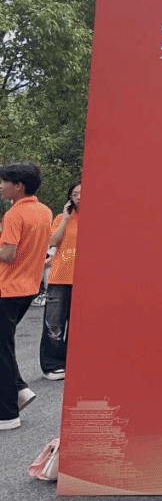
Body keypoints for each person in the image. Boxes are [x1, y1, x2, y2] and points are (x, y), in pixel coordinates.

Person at [0, 162, 53, 430]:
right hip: (28, 288)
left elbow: (8, 255)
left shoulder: (14, 214)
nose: (1, 186)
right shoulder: (44, 211)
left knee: (2, 351)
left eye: (4, 181)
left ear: (18, 186)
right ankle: (20, 389)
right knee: (4, 346)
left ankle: (7, 414)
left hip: (6, 288)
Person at [40, 179, 81, 379]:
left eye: (83, 193)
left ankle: (75, 362)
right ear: (69, 198)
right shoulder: (61, 218)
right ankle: (52, 365)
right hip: (61, 277)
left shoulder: (98, 218)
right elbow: (53, 242)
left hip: (85, 279)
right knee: (54, 324)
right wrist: (65, 218)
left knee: (79, 324)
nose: (79, 197)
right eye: (75, 194)